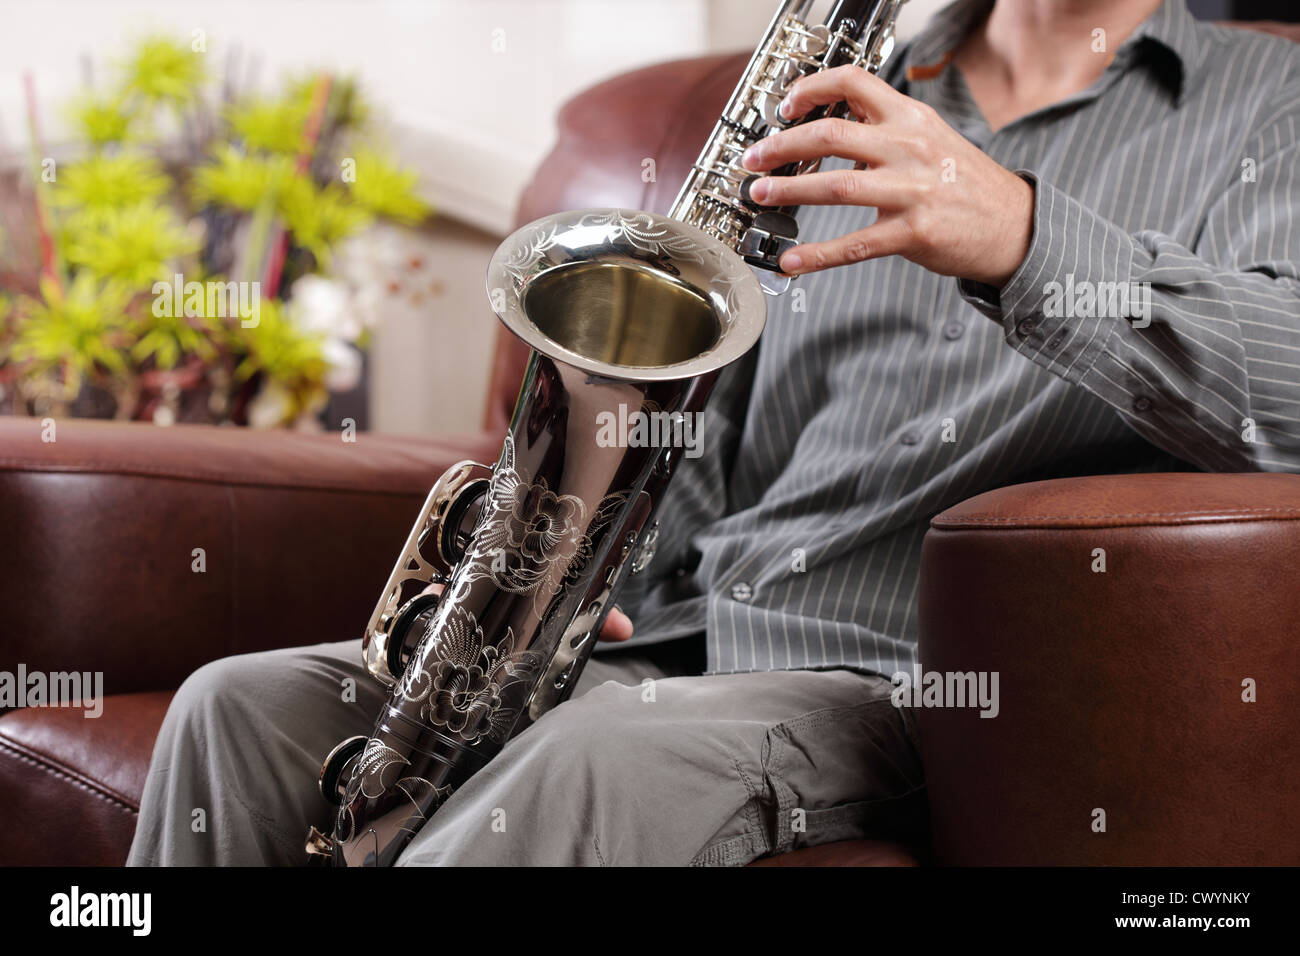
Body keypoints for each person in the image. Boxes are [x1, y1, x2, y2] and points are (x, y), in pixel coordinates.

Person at [128, 0, 1300, 866]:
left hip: (899, 679)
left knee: (588, 759)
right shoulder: (827, 98)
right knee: (232, 710)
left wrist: (1021, 237)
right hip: (681, 634)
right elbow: (706, 409)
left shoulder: (1274, 99)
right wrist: (591, 564)